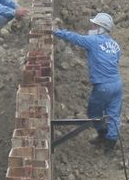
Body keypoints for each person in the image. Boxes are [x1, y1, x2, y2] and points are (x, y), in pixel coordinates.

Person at [53, 13, 123, 153]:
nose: (91, 27)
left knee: (94, 112)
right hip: (117, 85)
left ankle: (102, 135)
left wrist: (56, 31)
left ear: (101, 28)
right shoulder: (116, 45)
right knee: (113, 115)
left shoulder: (94, 41)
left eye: (94, 25)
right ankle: (110, 145)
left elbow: (75, 38)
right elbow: (114, 61)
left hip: (103, 86)